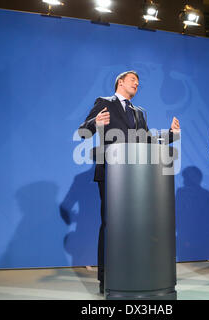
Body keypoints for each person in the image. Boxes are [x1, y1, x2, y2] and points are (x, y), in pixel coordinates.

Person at [78, 70, 180, 294]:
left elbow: (148, 140)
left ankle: (132, 272)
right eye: (133, 80)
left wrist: (171, 135)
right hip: (111, 173)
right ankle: (107, 279)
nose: (137, 83)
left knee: (134, 226)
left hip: (136, 175)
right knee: (111, 225)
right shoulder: (104, 102)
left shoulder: (139, 112)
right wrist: (96, 121)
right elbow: (83, 132)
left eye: (138, 82)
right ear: (120, 82)